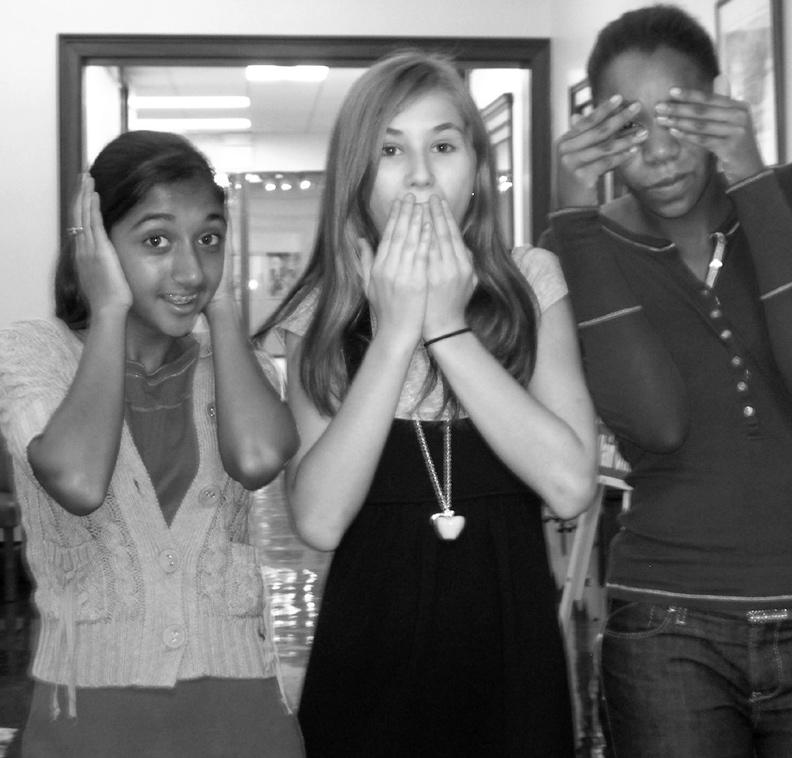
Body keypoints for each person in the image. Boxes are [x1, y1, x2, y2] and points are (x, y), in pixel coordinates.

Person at [545, 5, 792, 757]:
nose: (660, 153)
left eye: (680, 118)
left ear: (719, 103)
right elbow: (654, 420)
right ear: (596, 133)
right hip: (666, 630)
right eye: (629, 128)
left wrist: (752, 176)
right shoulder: (581, 242)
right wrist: (571, 215)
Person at [255, 51, 599, 757]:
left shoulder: (531, 282)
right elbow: (318, 520)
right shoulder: (319, 312)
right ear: (356, 178)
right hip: (367, 668)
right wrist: (392, 334)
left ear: (476, 171)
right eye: (389, 150)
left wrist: (445, 326)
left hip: (512, 665)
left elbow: (570, 486)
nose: (418, 175)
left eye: (442, 146)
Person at [0, 131, 305, 757]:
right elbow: (79, 481)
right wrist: (108, 310)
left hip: (242, 720)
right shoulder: (34, 354)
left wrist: (224, 307)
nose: (190, 270)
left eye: (209, 239)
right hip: (91, 725)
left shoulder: (235, 366)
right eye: (156, 241)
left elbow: (257, 461)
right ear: (96, 244)